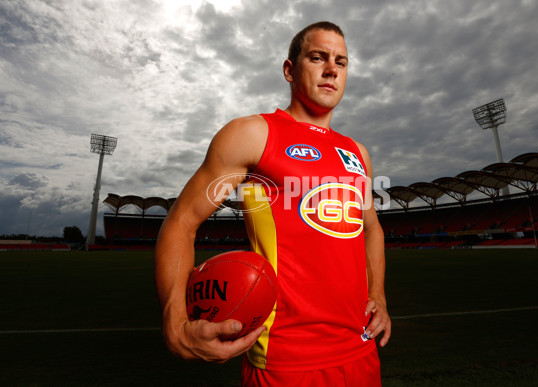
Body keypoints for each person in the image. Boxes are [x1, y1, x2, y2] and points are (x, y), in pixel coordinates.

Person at [155, 21, 391, 386]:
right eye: (318, 57)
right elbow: (181, 221)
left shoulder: (357, 152)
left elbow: (371, 228)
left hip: (361, 352)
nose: (331, 69)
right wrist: (175, 322)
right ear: (289, 70)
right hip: (285, 362)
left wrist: (378, 294)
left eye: (341, 62)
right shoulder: (253, 134)